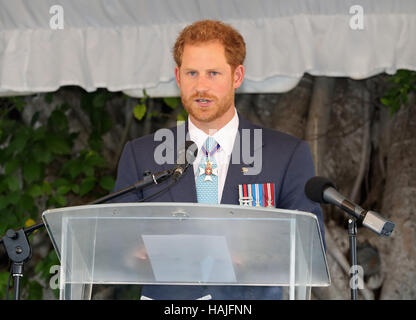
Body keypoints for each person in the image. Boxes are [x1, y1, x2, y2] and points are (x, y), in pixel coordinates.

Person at [113, 20, 325, 300]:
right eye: (192, 73)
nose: (201, 86)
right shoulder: (141, 154)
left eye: (213, 73)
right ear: (178, 77)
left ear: (237, 77)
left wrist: (251, 255)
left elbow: (309, 245)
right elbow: (115, 241)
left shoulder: (286, 154)